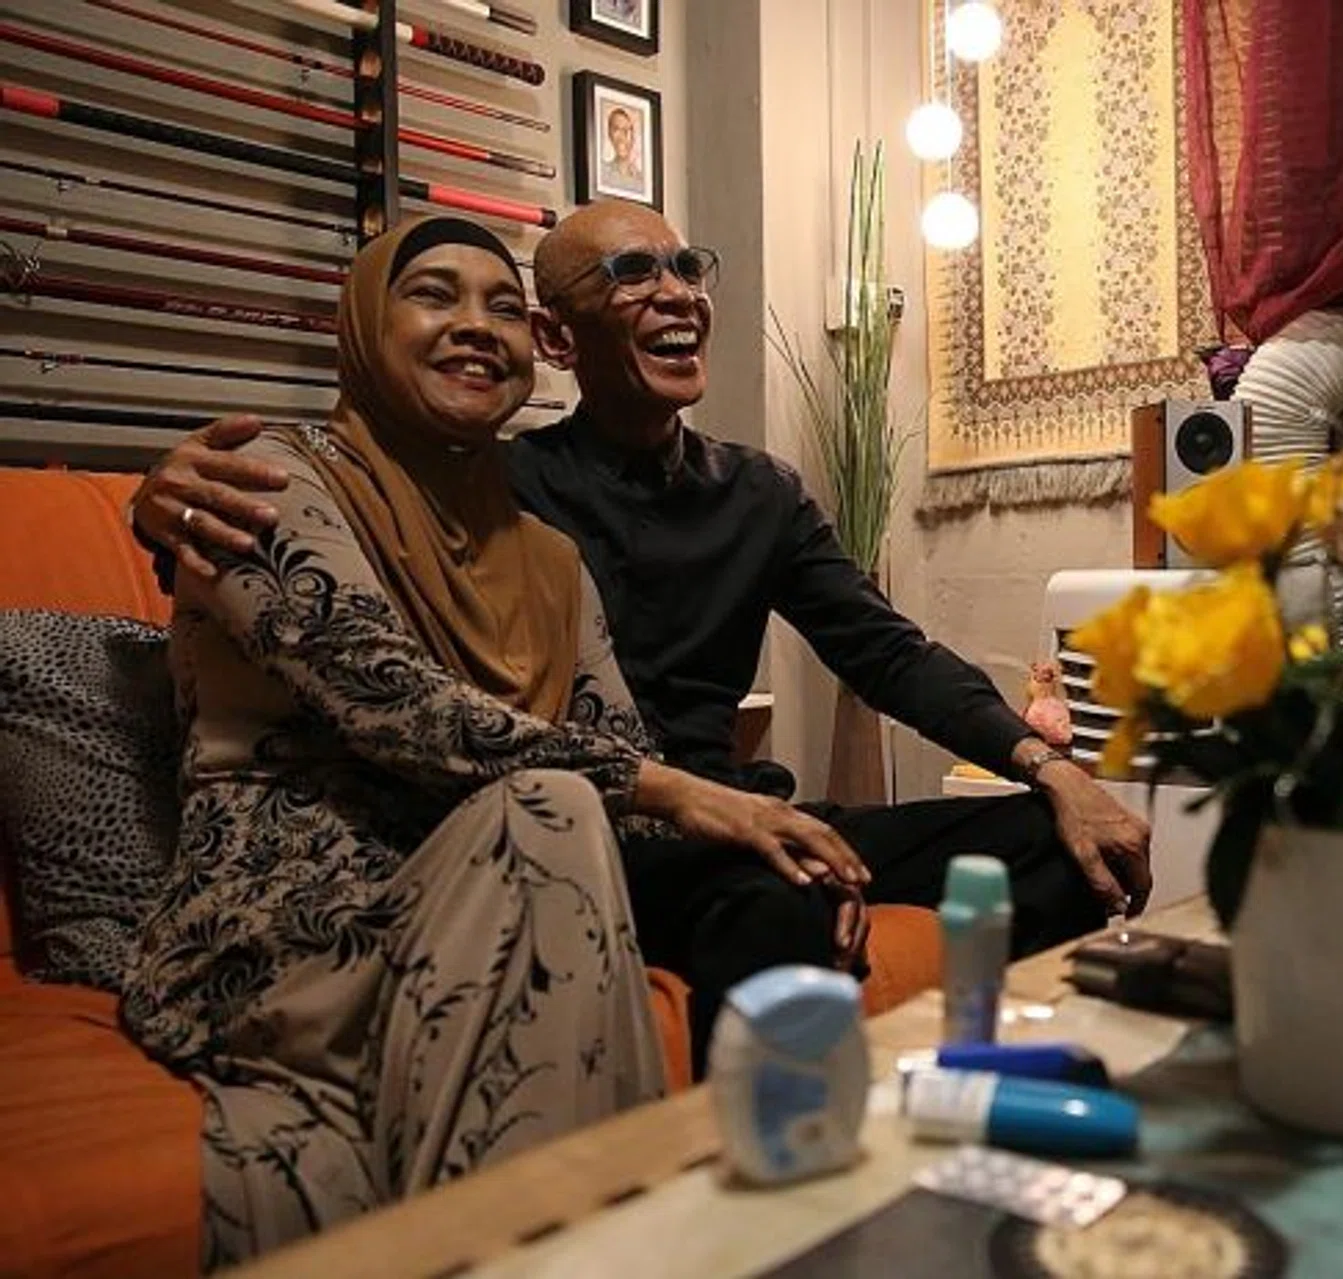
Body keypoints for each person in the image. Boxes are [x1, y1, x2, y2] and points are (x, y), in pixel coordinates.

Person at [131, 200, 1153, 984]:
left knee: (1051, 848)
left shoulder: (758, 494)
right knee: (765, 898)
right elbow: (326, 569)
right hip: (582, 826)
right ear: (559, 340)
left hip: (724, 813)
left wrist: (1046, 766)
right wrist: (162, 508)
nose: (677, 293)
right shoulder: (497, 493)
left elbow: (886, 652)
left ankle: (985, 1100)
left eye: (686, 267)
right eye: (631, 273)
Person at [121, 216, 868, 1265]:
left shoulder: (548, 558)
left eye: (504, 307)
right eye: (433, 294)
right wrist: (686, 790)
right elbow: (389, 699)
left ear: (535, 351)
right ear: (362, 327)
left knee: (570, 813)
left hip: (496, 894)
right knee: (550, 805)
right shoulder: (266, 479)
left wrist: (776, 856)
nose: (477, 325)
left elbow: (613, 757)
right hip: (293, 935)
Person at [600, 106, 645, 192]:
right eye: (616, 130)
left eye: (626, 130)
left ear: (633, 136)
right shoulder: (602, 172)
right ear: (610, 135)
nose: (622, 137)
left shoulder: (642, 181)